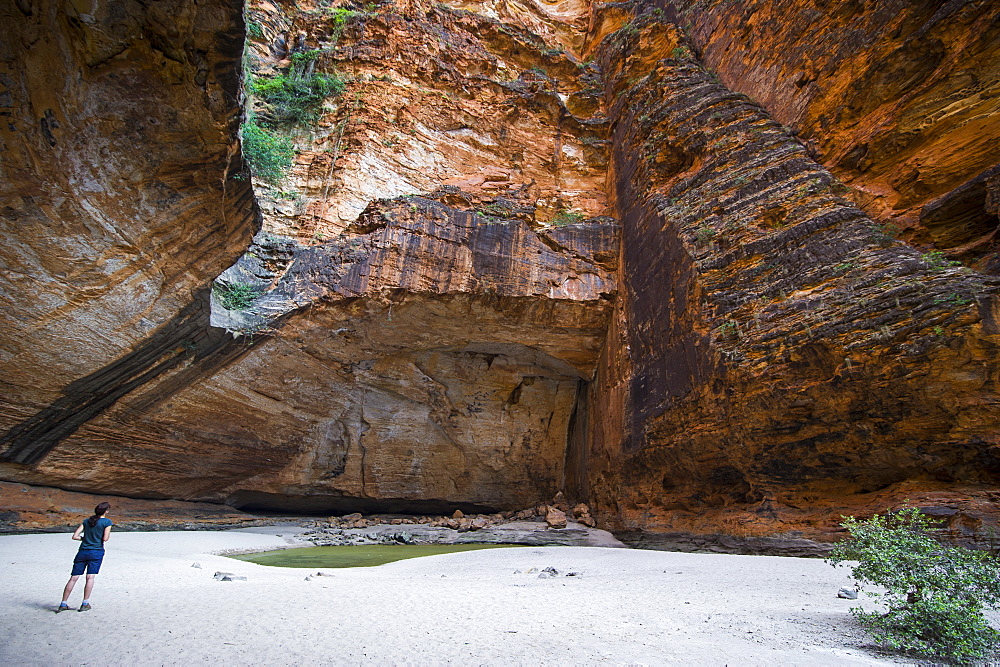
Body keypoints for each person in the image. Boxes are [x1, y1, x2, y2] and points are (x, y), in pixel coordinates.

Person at [56, 502, 113, 613]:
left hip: (82, 551)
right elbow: (105, 538)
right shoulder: (107, 522)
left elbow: (75, 536)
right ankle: (85, 603)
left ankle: (63, 603)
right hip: (96, 552)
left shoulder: (87, 521)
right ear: (106, 511)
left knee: (73, 578)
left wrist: (85, 538)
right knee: (90, 577)